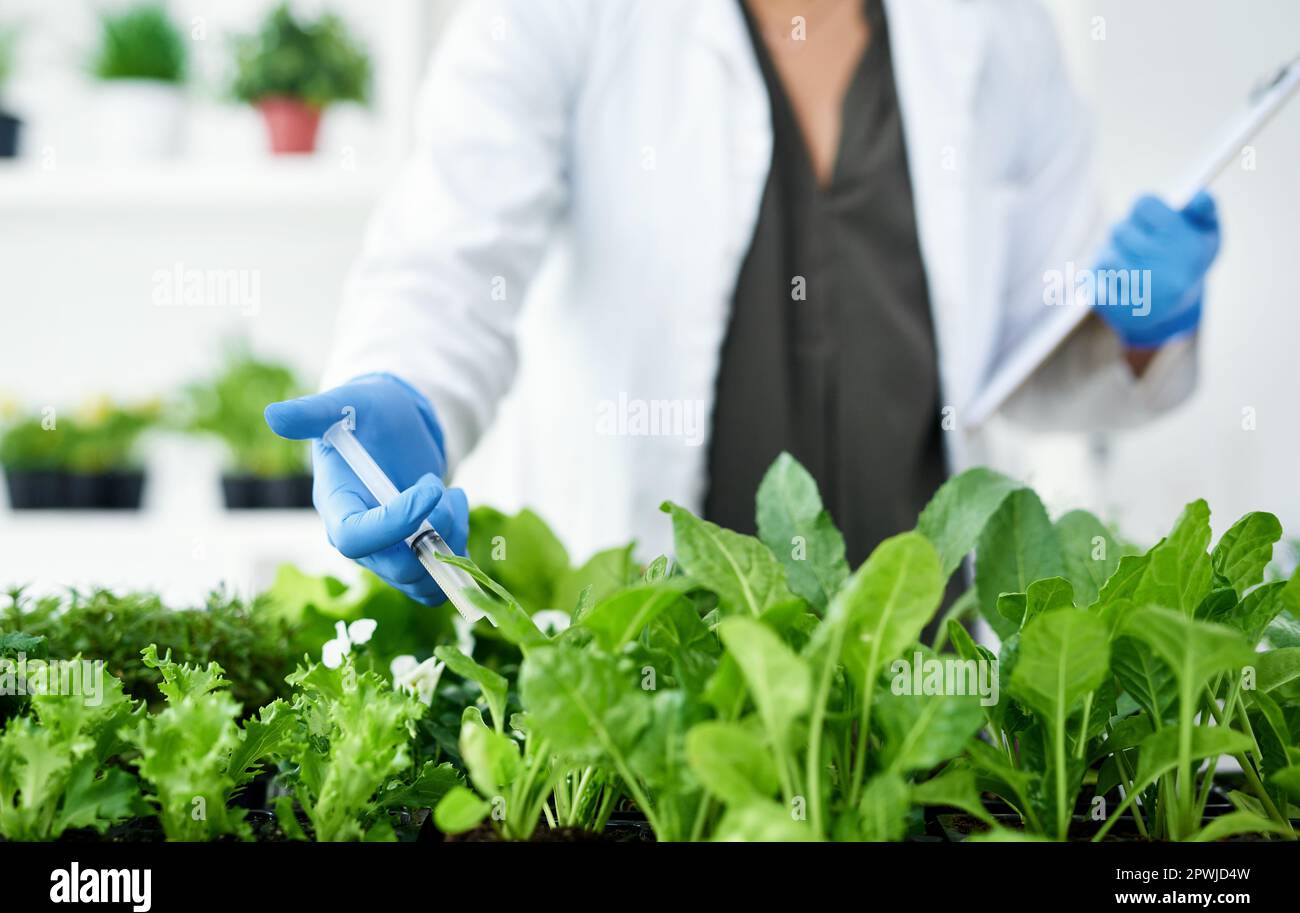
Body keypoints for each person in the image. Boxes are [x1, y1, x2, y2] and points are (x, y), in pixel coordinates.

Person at [266, 0, 1220, 608]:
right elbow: (450, 256)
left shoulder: (995, 27)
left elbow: (1032, 347)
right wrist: (404, 391)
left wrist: (1137, 328)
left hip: (928, 666)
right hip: (661, 677)